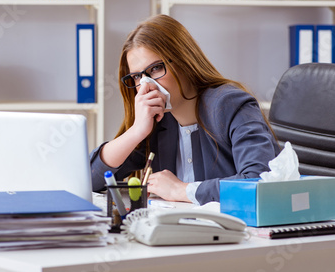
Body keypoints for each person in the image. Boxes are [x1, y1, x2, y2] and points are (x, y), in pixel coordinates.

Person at [90, 14, 279, 205]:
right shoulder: (157, 121)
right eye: (138, 77)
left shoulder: (229, 104)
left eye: (155, 68)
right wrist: (136, 131)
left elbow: (259, 183)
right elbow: (89, 179)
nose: (147, 85)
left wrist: (181, 190)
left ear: (183, 60)